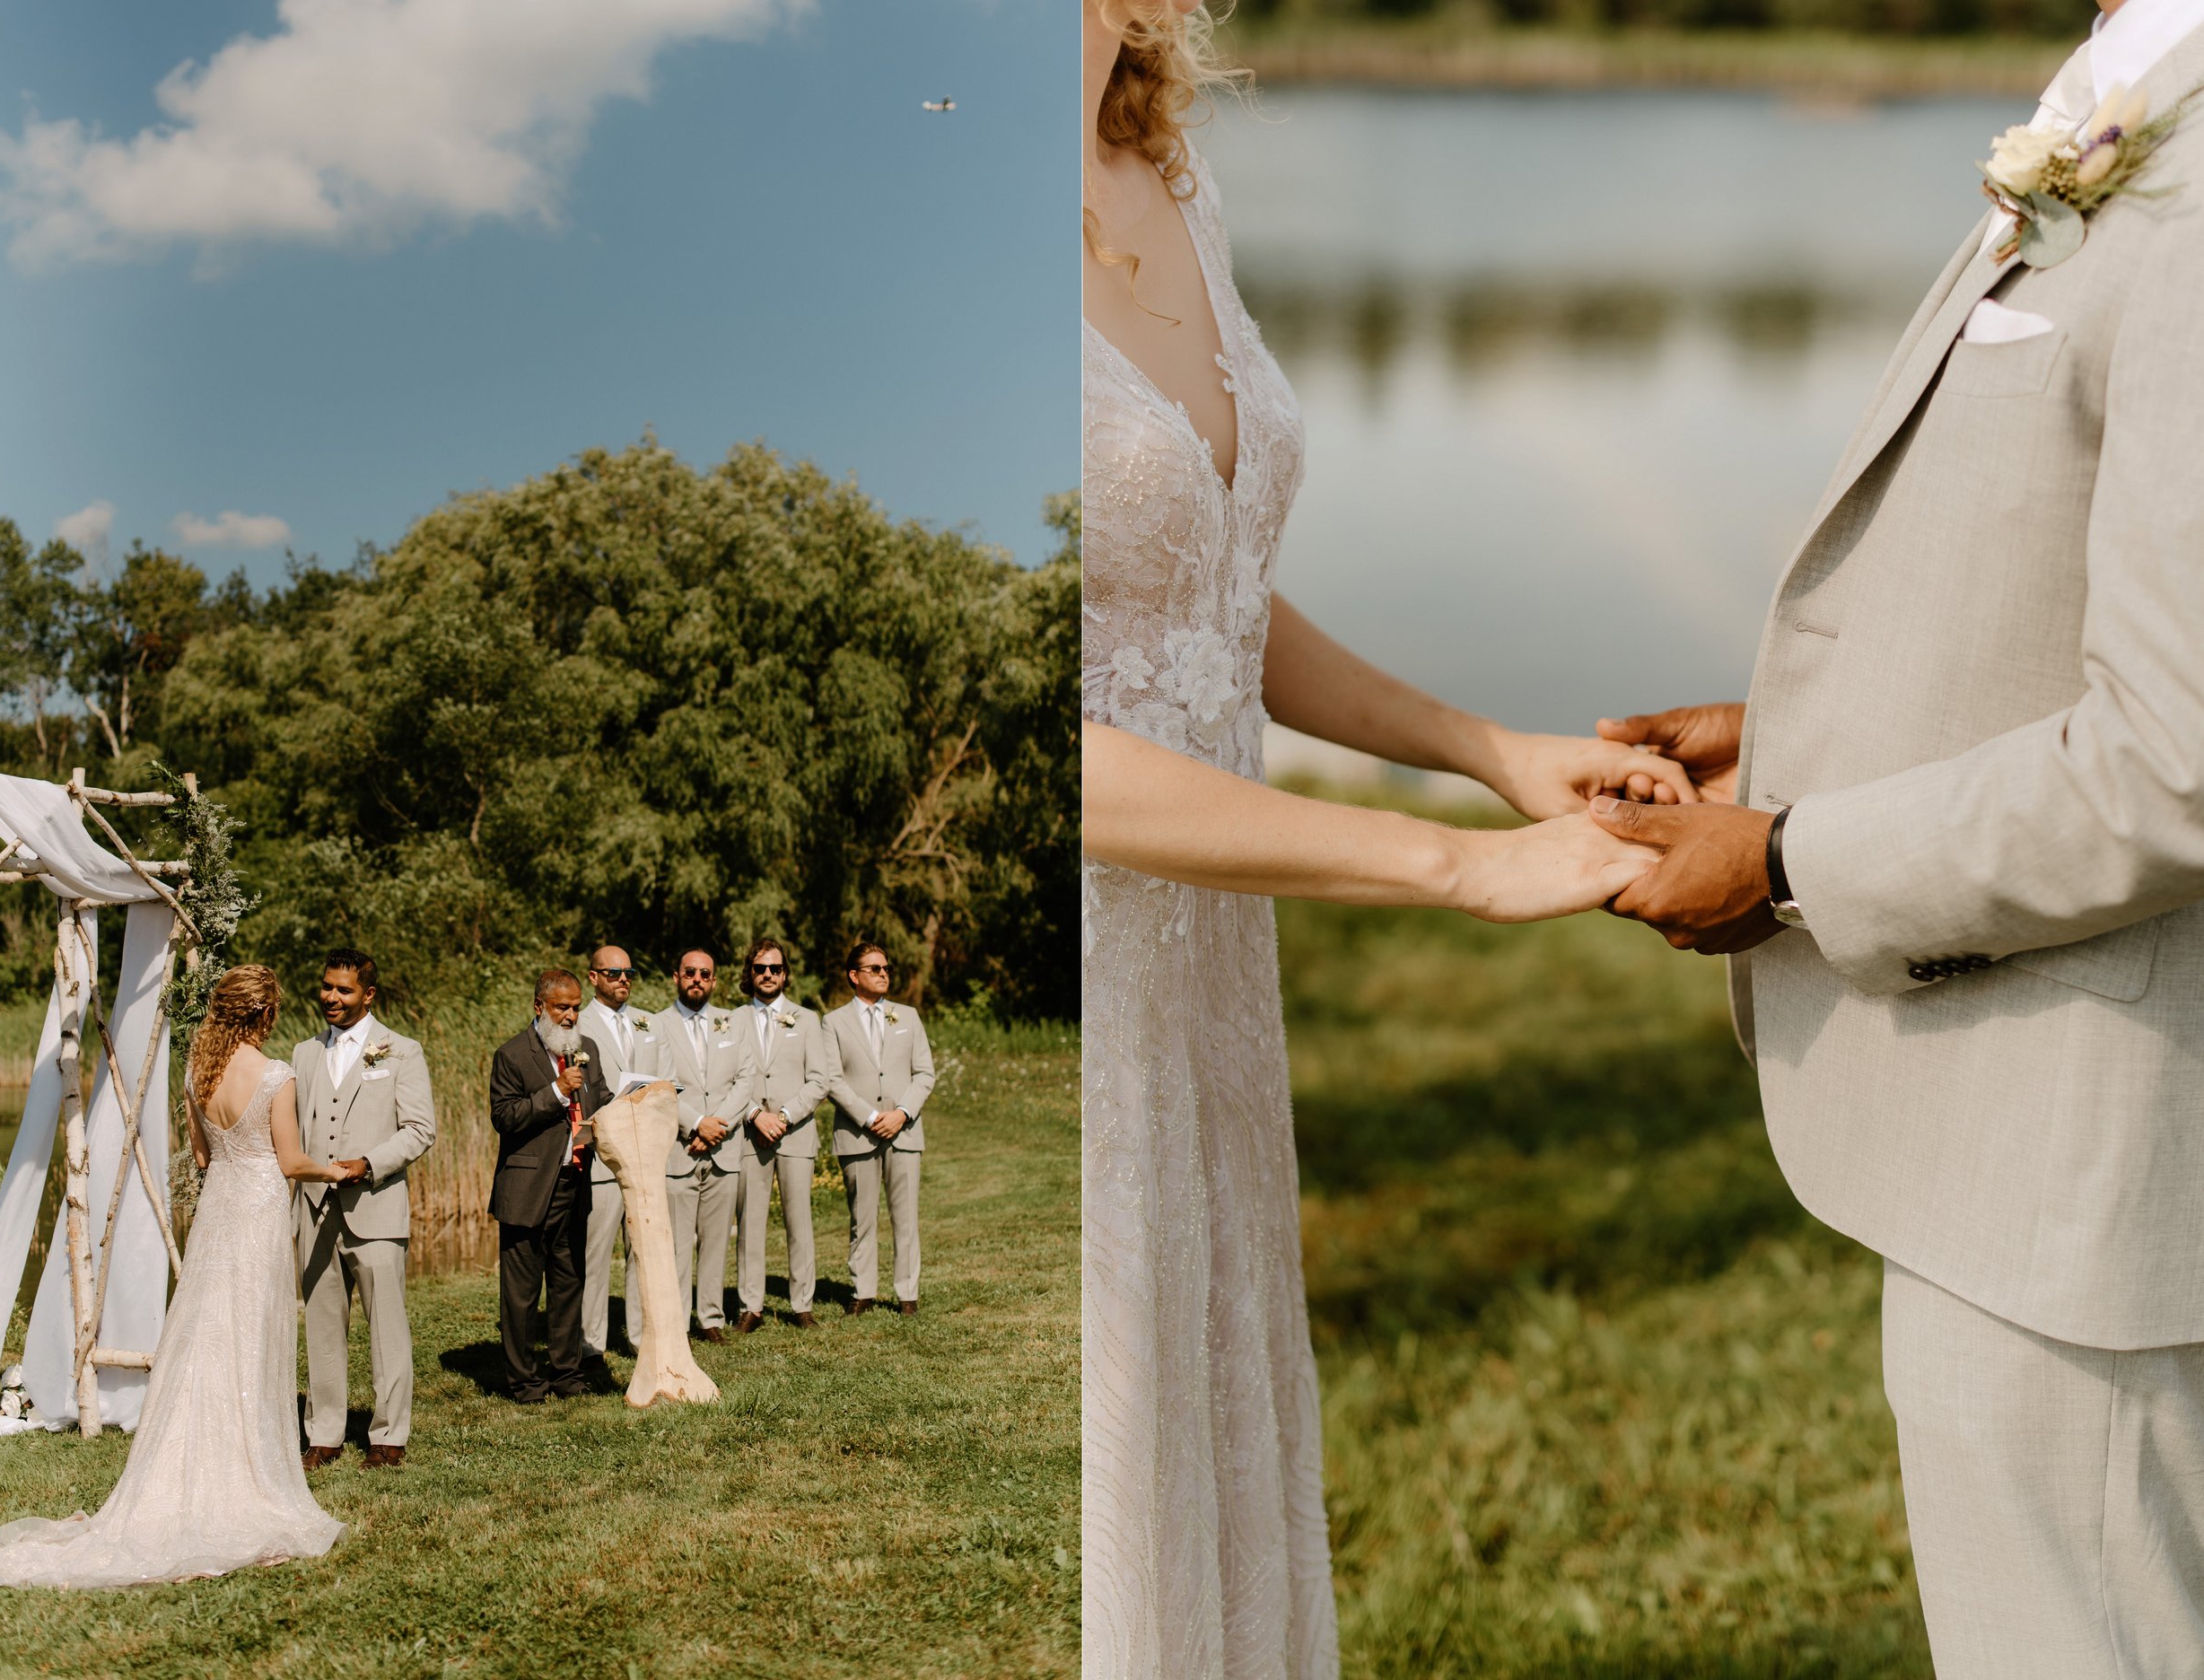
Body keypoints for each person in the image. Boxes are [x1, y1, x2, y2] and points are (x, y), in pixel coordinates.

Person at [1586, 1, 2204, 1669]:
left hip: (2095, 1171)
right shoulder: (2143, 90)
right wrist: (1797, 741)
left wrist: (1794, 856)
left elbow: (2179, 757)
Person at [1080, 1, 1680, 1671]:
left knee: (1204, 1382)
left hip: (1211, 959)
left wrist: (1488, 753)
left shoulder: (1163, 176)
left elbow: (1202, 596)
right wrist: (1451, 863)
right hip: (1087, 958)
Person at [0, 967, 358, 1588]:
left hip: (217, 1212)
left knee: (206, 1334)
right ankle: (246, 1474)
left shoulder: (194, 1073)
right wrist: (333, 1172)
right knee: (250, 1337)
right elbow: (289, 1162)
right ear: (263, 1015)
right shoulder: (277, 1075)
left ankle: (199, 1457)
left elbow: (203, 1158)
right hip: (256, 1213)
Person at [292, 947, 436, 1471]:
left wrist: (368, 1163)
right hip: (314, 1211)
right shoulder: (304, 1054)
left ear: (368, 995)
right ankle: (324, 1434)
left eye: (343, 990)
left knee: (386, 1327)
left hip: (375, 1206)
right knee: (322, 1324)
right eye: (327, 986)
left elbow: (421, 1130)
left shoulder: (401, 1051)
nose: (331, 997)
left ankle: (388, 1436)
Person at [487, 969, 613, 1403]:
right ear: (539, 1006)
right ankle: (525, 1383)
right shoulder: (512, 1055)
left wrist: (639, 1097)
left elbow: (603, 1100)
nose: (571, 1016)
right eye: (562, 1007)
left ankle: (567, 1375)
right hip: (527, 1188)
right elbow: (505, 1118)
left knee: (568, 1283)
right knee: (521, 1296)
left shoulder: (588, 1050)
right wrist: (557, 1092)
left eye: (576, 1007)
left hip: (574, 1184)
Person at [823, 943, 936, 1317]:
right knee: (862, 1217)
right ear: (854, 976)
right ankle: (863, 1292)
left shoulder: (908, 1016)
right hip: (858, 1133)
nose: (883, 973)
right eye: (874, 968)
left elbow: (924, 1074)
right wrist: (870, 1117)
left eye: (887, 967)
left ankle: (907, 1295)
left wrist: (901, 1113)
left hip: (904, 1131)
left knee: (905, 1217)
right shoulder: (834, 1022)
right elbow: (832, 1080)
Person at [730, 939, 833, 1332]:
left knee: (799, 1220)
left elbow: (819, 1080)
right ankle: (750, 1306)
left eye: (774, 968)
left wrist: (784, 1116)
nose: (767, 974)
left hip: (796, 1133)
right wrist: (755, 1114)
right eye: (760, 968)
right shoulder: (733, 1019)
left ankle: (802, 1304)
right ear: (750, 973)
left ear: (785, 973)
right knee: (750, 1221)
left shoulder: (807, 1019)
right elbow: (729, 1079)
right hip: (750, 1135)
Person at [650, 949, 748, 1342]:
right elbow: (659, 1083)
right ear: (676, 976)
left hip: (724, 1146)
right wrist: (695, 1124)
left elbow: (745, 1079)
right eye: (689, 972)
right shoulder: (655, 1025)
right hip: (679, 1147)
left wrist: (718, 1125)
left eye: (704, 974)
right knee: (676, 1243)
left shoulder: (731, 1022)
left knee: (716, 1238)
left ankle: (710, 1319)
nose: (697, 979)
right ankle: (675, 1322)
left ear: (714, 981)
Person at [579, 945, 660, 1359]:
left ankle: (640, 1336)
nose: (623, 979)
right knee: (596, 1251)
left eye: (630, 972)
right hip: (600, 1154)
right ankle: (590, 1342)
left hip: (646, 1152)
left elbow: (666, 1077)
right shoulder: (578, 1021)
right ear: (594, 977)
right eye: (613, 972)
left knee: (641, 1247)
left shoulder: (650, 1021)